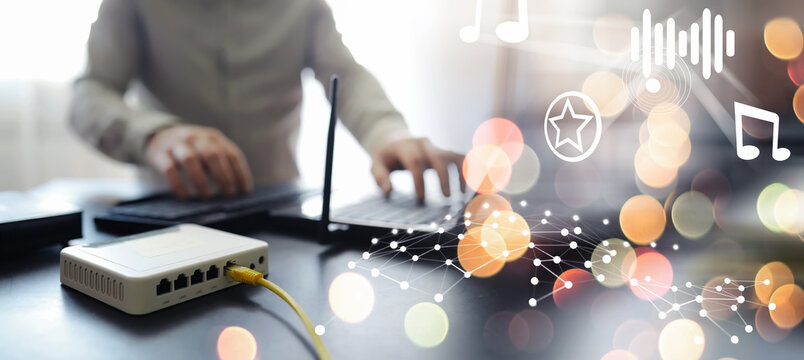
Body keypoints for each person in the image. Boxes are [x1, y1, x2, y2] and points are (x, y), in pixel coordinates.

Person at [70, 0, 462, 202]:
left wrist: (387, 134)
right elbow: (90, 92)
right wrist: (153, 136)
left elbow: (346, 74)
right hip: (166, 209)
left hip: (280, 209)